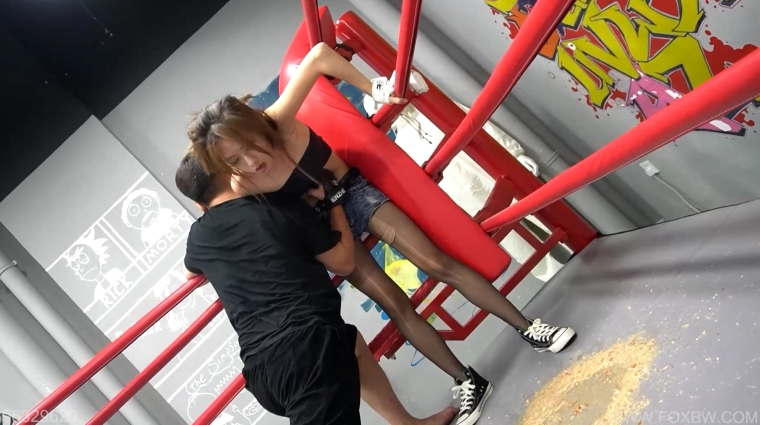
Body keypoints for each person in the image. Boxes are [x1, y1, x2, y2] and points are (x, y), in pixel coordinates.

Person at [187, 42, 576, 425]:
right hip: (325, 226)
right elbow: (229, 219)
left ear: (256, 126)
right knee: (395, 304)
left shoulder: (279, 117)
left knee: (436, 263)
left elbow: (319, 55)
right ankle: (467, 380)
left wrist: (374, 87)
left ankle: (531, 328)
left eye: (249, 146)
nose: (249, 161)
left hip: (352, 193)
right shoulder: (241, 185)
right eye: (233, 160)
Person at [176, 153, 456, 425]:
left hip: (262, 372)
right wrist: (334, 203)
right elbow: (344, 263)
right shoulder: (278, 206)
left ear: (200, 205)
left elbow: (188, 272)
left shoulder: (199, 237)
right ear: (232, 172)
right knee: (339, 345)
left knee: (352, 344)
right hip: (309, 354)